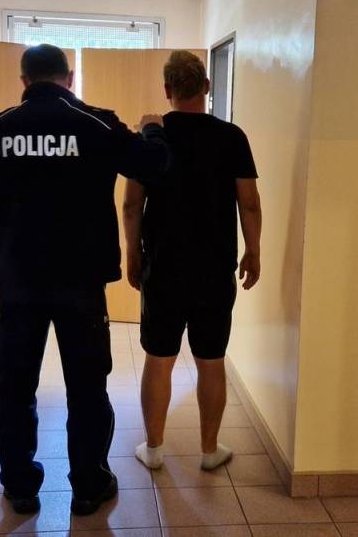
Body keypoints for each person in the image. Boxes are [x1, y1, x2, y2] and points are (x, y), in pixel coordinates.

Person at [0, 44, 169, 516]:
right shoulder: (96, 124)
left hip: (19, 285)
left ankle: (20, 486)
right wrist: (153, 128)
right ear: (70, 77)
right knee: (87, 386)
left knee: (16, 387)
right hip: (81, 284)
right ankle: (89, 486)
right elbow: (154, 165)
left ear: (24, 81)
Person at [123, 50, 262, 471]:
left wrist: (132, 253)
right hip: (214, 269)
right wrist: (253, 250)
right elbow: (249, 203)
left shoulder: (150, 137)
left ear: (167, 90)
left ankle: (154, 450)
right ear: (206, 86)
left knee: (159, 358)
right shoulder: (232, 137)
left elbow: (131, 205)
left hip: (163, 267)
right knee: (211, 359)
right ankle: (209, 450)